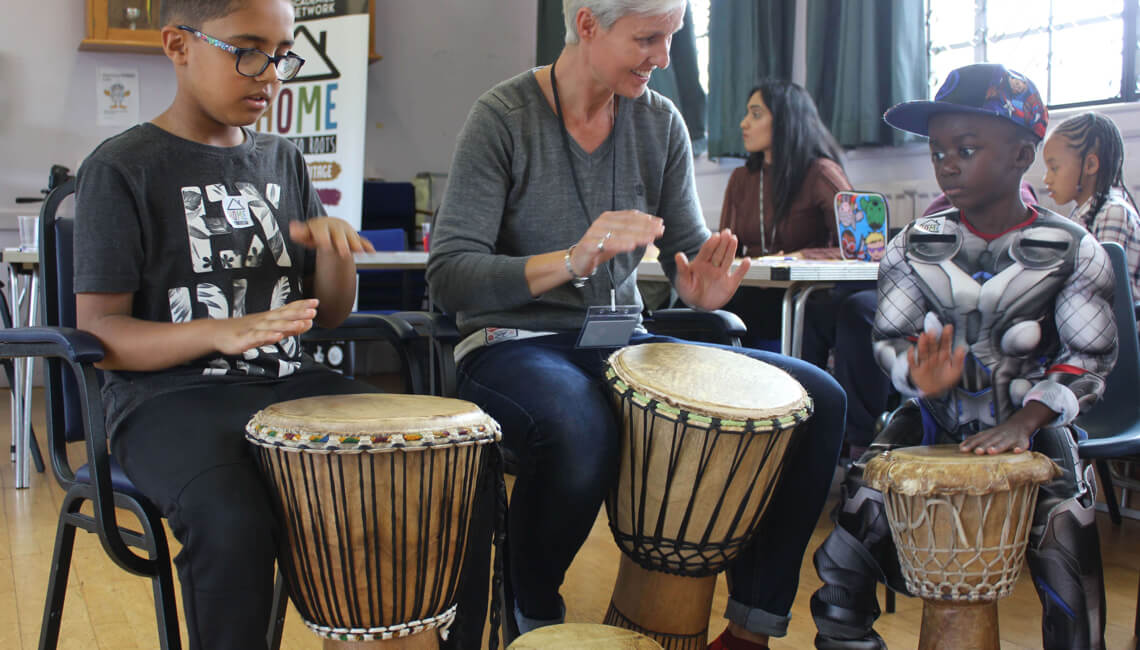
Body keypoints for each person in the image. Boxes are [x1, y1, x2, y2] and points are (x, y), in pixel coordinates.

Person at [426, 1, 846, 648]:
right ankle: (530, 613)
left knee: (817, 398)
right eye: (648, 38)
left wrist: (699, 286)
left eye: (672, 37)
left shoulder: (660, 122)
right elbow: (451, 274)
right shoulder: (502, 116)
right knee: (576, 422)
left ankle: (750, 628)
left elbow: (689, 249)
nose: (665, 58)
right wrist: (571, 260)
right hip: (512, 344)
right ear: (588, 24)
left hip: (625, 341)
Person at [72, 1, 379, 647]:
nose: (269, 74)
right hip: (167, 399)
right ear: (177, 45)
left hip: (286, 382)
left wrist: (332, 252)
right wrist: (218, 331)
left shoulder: (283, 159)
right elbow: (100, 334)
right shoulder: (123, 167)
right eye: (246, 50)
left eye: (282, 54)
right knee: (231, 521)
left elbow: (330, 315)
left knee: (422, 463)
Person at [810, 63, 1114, 650]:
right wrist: (914, 372)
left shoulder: (1078, 251)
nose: (947, 163)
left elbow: (1089, 359)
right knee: (853, 528)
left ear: (1023, 154)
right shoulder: (910, 247)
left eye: (967, 149)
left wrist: (1027, 422)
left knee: (1068, 549)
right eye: (938, 151)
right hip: (933, 415)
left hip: (1035, 424)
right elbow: (890, 335)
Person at [720, 79, 853, 347]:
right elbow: (727, 249)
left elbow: (860, 248)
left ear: (785, 120)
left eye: (755, 114)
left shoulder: (821, 173)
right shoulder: (741, 178)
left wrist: (800, 257)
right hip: (751, 288)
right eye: (747, 114)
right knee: (695, 312)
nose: (744, 123)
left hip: (799, 294)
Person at [1044, 112, 1140, 297]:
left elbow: (1101, 289)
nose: (1046, 178)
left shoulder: (1113, 212)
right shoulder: (1079, 215)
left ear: (1090, 165)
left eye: (1054, 168)